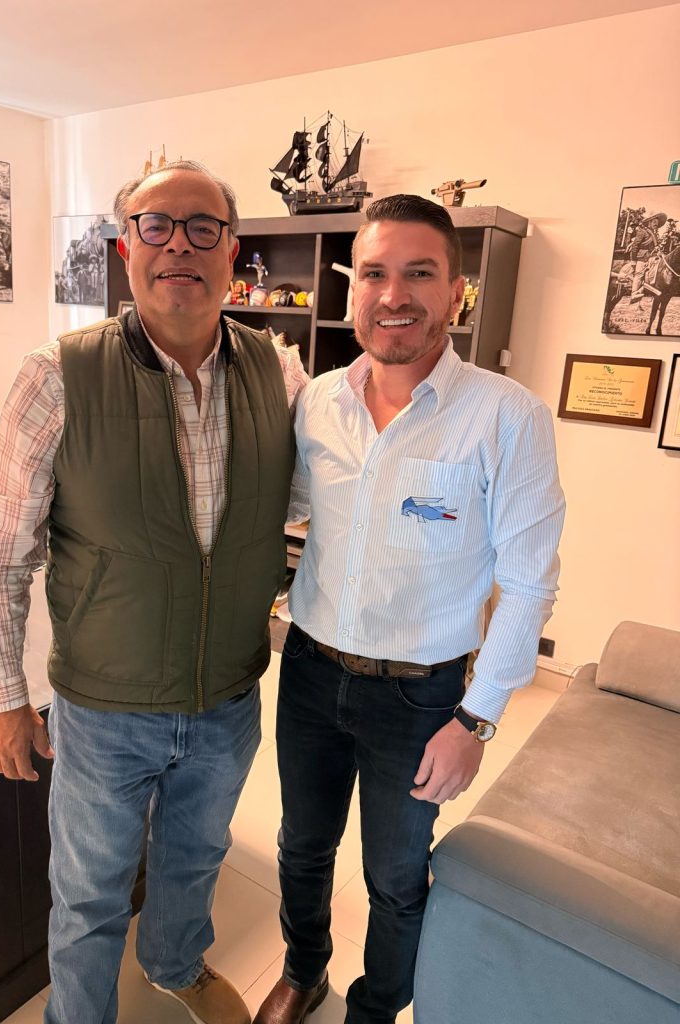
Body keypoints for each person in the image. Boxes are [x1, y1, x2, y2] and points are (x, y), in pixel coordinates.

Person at [0, 159, 308, 1024]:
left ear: (233, 252)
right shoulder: (56, 376)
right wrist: (2, 699)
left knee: (196, 858)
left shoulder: (280, 376)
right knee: (88, 893)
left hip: (227, 698)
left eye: (203, 227)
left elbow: (317, 505)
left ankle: (174, 962)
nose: (178, 245)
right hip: (104, 709)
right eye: (157, 226)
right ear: (127, 249)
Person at [254, 195, 565, 1024]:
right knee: (301, 846)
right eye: (375, 274)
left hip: (421, 697)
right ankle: (302, 972)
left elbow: (530, 586)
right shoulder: (319, 401)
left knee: (394, 877)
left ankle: (376, 1008)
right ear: (353, 289)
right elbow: (286, 508)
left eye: (419, 274)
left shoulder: (507, 417)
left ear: (456, 292)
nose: (394, 295)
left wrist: (476, 721)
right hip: (310, 671)